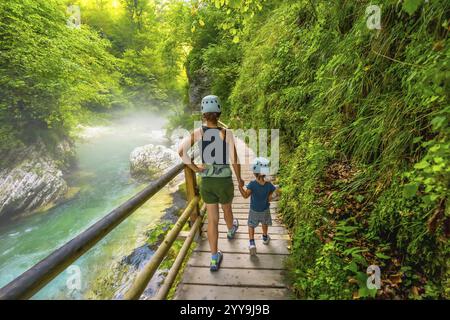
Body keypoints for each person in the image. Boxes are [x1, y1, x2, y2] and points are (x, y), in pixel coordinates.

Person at [178, 95, 244, 271]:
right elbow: (234, 160)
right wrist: (239, 180)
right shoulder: (226, 133)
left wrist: (196, 169)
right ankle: (231, 230)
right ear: (219, 112)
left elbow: (181, 152)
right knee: (227, 209)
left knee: (213, 220)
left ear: (203, 114)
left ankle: (214, 257)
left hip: (207, 181)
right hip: (224, 181)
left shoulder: (198, 133)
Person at [238, 157, 277, 256]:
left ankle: (252, 243)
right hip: (265, 210)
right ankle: (264, 237)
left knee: (251, 225)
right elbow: (273, 193)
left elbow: (245, 196)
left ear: (255, 172)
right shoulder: (269, 185)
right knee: (265, 223)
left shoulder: (252, 185)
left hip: (254, 210)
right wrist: (269, 197)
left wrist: (240, 187)